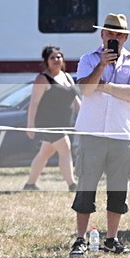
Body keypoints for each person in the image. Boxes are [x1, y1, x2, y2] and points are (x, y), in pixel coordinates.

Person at [69, 13, 130, 258]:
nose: (114, 38)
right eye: (109, 33)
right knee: (86, 186)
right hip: (91, 132)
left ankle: (112, 239)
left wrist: (105, 86)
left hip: (122, 133)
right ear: (102, 34)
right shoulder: (88, 59)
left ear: (124, 37)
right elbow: (86, 90)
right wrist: (101, 66)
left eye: (119, 34)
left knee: (118, 189)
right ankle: (80, 239)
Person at [24, 45, 81, 191]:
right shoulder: (42, 79)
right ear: (46, 61)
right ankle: (72, 184)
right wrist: (30, 125)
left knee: (44, 153)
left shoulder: (67, 76)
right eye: (52, 57)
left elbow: (75, 101)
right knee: (65, 148)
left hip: (64, 123)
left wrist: (84, 118)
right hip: (49, 123)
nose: (56, 60)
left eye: (59, 56)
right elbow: (34, 103)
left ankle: (30, 184)